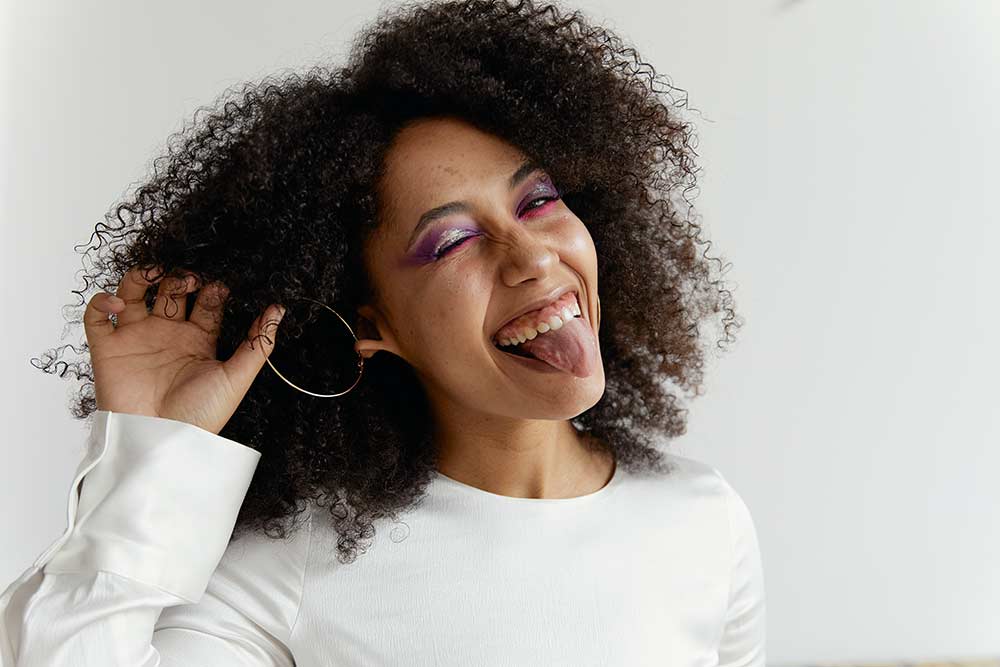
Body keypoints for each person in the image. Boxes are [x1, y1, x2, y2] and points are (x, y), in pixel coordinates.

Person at [0, 0, 764, 664]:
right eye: (451, 241)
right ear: (372, 323)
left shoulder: (703, 518)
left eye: (536, 201)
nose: (532, 255)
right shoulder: (297, 566)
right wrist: (151, 447)